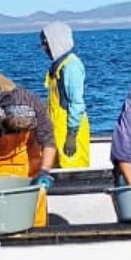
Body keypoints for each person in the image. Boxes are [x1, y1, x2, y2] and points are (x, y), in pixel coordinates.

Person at [39, 24, 90, 169]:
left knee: (72, 169)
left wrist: (72, 135)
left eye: (46, 43)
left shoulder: (71, 66)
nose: (44, 48)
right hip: (56, 130)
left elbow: (76, 102)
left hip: (69, 131)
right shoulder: (57, 67)